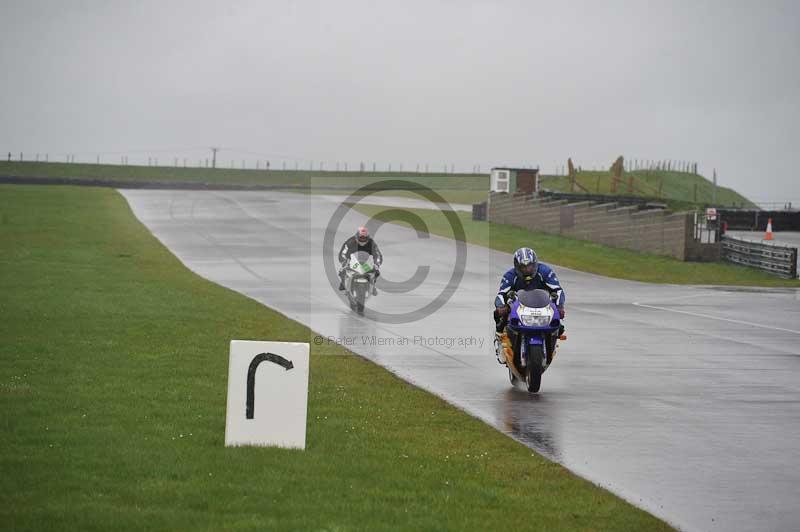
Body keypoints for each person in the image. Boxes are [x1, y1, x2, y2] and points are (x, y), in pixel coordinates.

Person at [493, 247, 565, 364]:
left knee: (559, 326)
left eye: (530, 266)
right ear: (517, 266)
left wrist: (560, 306)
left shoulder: (545, 272)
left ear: (535, 264)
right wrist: (500, 306)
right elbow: (501, 294)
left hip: (542, 306)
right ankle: (500, 340)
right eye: (523, 267)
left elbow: (558, 290)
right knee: (499, 315)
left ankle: (551, 343)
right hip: (519, 306)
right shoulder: (510, 276)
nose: (527, 270)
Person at [338, 226, 383, 295]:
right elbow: (342, 253)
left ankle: (372, 285)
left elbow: (378, 255)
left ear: (368, 238)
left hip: (365, 264)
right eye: (361, 238)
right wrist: (344, 261)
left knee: (376, 272)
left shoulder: (371, 243)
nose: (362, 240)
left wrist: (377, 263)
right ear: (356, 236)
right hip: (353, 262)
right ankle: (343, 283)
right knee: (342, 271)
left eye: (364, 238)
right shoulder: (350, 242)